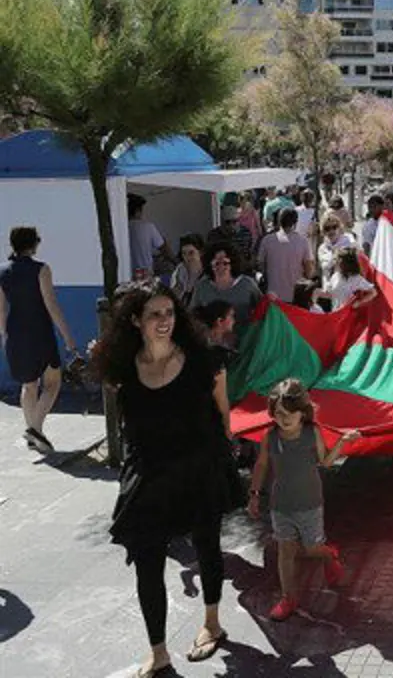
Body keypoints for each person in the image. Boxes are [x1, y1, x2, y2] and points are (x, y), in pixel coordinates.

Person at [92, 281, 243, 676]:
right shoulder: (124, 370)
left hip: (198, 468)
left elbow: (222, 413)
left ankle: (212, 623)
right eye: (155, 314)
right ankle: (157, 651)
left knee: (207, 546)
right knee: (146, 560)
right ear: (136, 320)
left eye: (170, 313)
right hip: (150, 473)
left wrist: (223, 457)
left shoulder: (204, 361)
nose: (164, 321)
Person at [247, 379, 353, 621]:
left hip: (310, 503)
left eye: (289, 414)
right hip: (281, 505)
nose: (283, 420)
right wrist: (254, 494)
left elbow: (325, 462)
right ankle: (288, 598)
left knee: (311, 548)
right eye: (278, 414)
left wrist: (342, 443)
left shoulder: (311, 433)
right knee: (286, 550)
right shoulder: (270, 437)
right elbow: (262, 465)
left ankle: (328, 555)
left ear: (302, 413)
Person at [0, 226, 76, 453]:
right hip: (39, 332)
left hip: (15, 333)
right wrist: (68, 338)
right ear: (34, 245)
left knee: (28, 384)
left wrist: (4, 336)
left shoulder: (2, 272)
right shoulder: (41, 269)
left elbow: (1, 310)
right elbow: (51, 305)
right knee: (52, 383)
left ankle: (33, 434)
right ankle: (34, 428)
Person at [191, 243, 263, 327]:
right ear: (210, 265)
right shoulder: (202, 287)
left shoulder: (247, 283)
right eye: (216, 263)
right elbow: (193, 315)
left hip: (245, 336)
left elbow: (263, 308)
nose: (221, 267)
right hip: (213, 338)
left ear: (232, 263)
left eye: (225, 263)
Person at [257, 207, 314, 299]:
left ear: (279, 221)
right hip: (296, 295)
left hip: (273, 296)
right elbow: (309, 270)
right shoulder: (303, 241)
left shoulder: (267, 240)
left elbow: (260, 265)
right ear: (295, 222)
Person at [127, 194, 174, 280]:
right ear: (138, 211)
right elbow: (163, 248)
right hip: (145, 276)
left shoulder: (121, 228)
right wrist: (175, 261)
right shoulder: (147, 227)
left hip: (126, 275)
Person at [318, 214, 358, 280]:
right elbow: (325, 267)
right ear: (323, 231)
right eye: (327, 228)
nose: (331, 231)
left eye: (334, 227)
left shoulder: (348, 241)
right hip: (330, 285)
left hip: (349, 283)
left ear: (339, 227)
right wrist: (336, 254)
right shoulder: (322, 248)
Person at [172, 234, 206, 307]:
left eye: (191, 253)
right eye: (184, 253)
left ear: (201, 253)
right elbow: (175, 294)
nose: (187, 257)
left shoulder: (208, 273)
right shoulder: (181, 270)